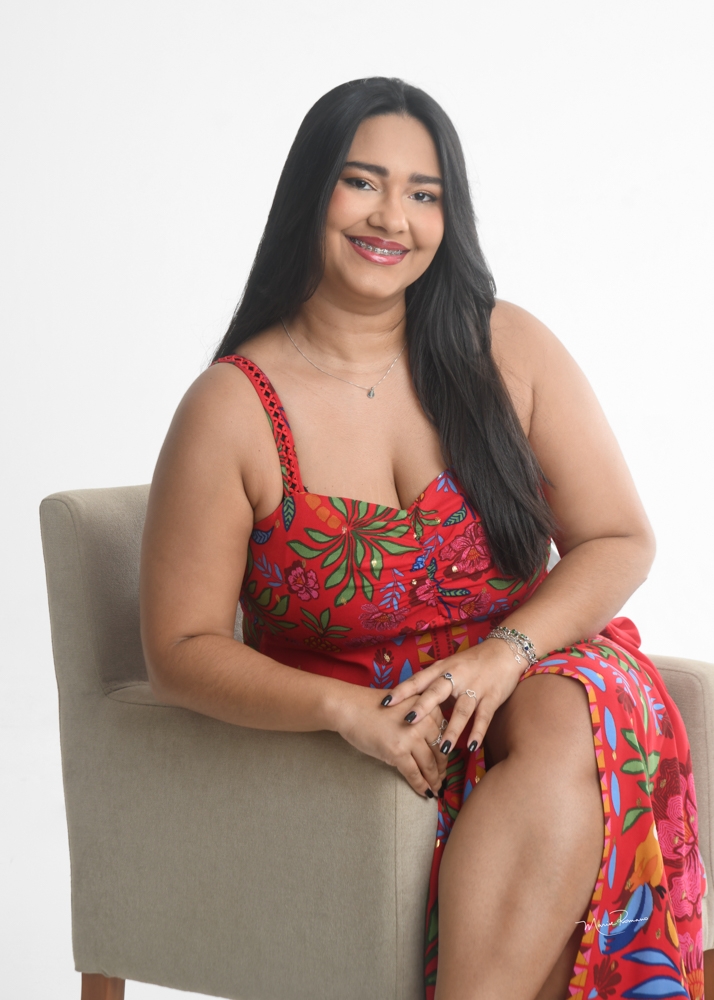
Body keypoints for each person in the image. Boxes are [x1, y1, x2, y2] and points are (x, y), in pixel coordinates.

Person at [139, 77, 706, 999]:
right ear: (311, 191)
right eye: (362, 181)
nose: (392, 218)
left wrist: (504, 655)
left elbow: (617, 537)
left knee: (577, 707)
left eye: (424, 193)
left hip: (535, 679)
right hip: (378, 729)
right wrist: (344, 713)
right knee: (568, 773)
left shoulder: (507, 348)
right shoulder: (232, 408)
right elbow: (179, 647)